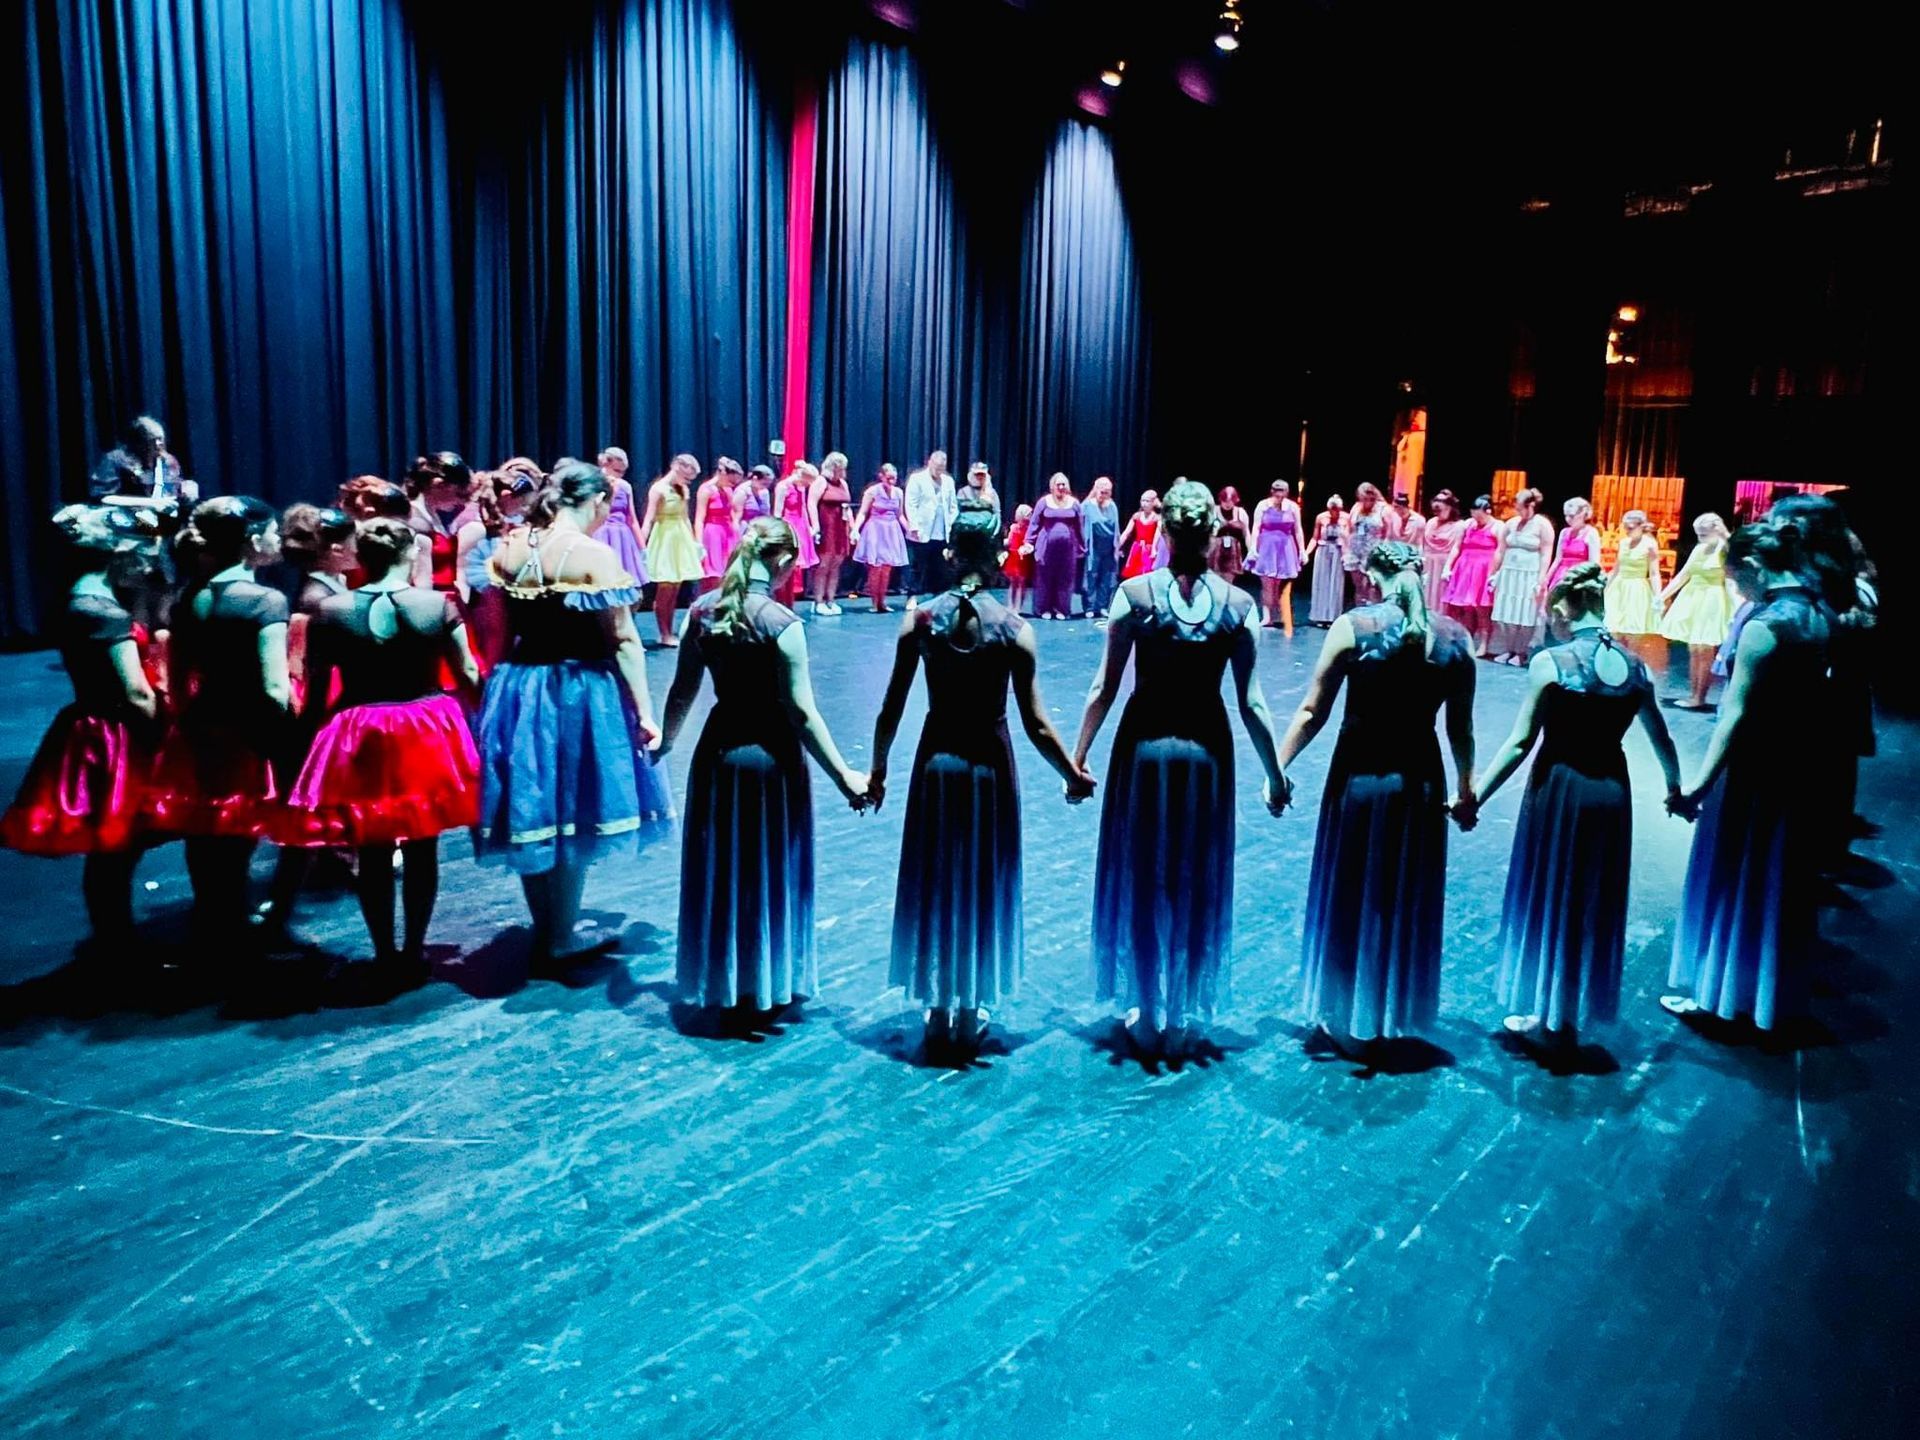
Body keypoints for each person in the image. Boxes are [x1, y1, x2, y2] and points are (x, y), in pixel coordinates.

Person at [867, 499, 1095, 1054]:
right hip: (989, 767)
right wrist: (1072, 774)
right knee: (978, 881)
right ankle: (969, 1009)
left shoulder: (919, 621)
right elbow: (1036, 723)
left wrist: (876, 772)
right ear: (997, 557)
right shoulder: (1014, 629)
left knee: (938, 877)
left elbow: (891, 709)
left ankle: (937, 1008)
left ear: (949, 555)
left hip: (937, 763)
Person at [1072, 481, 1289, 1055]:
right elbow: (1253, 704)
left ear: (1165, 534)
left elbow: (1104, 688)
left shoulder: (1133, 596)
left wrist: (1079, 757)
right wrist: (1275, 774)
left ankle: (1145, 1008)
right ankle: (1183, 1008)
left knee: (1143, 873)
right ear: (1214, 536)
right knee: (1192, 874)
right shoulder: (1241, 607)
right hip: (1205, 758)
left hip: (1144, 753)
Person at [1454, 563, 1683, 1048]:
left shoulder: (1553, 663)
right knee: (1590, 900)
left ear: (1564, 607)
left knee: (1554, 892)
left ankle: (1550, 1019)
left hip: (1560, 787)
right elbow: (1659, 734)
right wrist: (1675, 788)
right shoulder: (1635, 667)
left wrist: (1473, 798)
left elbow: (1520, 743)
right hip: (1611, 792)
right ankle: (1568, 1016)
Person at [661, 518, 870, 1019]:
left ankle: (726, 978)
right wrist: (846, 777)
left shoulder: (702, 613)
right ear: (781, 563)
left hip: (717, 755)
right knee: (767, 869)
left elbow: (683, 690)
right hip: (771, 760)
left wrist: (665, 742)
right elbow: (800, 712)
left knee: (724, 870)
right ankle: (761, 982)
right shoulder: (782, 624)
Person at [1282, 542, 1476, 1054]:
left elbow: (1312, 711)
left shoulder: (1356, 627)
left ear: (1372, 575)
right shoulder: (1455, 638)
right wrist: (1466, 789)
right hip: (1421, 781)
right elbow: (1460, 728)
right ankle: (1387, 1015)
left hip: (1360, 778)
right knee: (1400, 895)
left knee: (1353, 891)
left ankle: (1348, 1017)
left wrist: (1277, 769)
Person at [473, 463, 671, 963]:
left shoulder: (510, 548)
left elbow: (496, 636)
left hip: (520, 685)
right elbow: (623, 640)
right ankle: (560, 936)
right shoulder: (592, 555)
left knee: (534, 807)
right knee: (575, 805)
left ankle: (550, 927)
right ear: (599, 501)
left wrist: (496, 696)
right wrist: (645, 712)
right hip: (579, 689)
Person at [283, 518, 482, 979]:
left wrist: (308, 748)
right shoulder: (436, 605)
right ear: (408, 554)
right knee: (422, 845)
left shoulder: (331, 611)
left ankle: (384, 952)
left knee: (372, 847)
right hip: (423, 726)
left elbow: (314, 692)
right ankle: (413, 948)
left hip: (360, 728)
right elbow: (468, 673)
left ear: (361, 557)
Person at [1663, 524, 1829, 1032]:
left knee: (1733, 872)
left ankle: (1717, 996)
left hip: (1753, 767)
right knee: (1775, 877)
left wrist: (1698, 787)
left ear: (1753, 567)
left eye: (1737, 579)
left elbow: (1733, 714)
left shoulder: (1764, 625)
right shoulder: (1818, 615)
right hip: (1797, 763)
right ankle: (1758, 994)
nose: (1738, 589)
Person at [1, 506, 169, 948]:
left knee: (113, 849)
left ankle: (114, 936)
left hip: (92, 725)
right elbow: (135, 691)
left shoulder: (80, 598)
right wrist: (161, 735)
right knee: (116, 847)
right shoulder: (101, 612)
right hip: (114, 735)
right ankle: (117, 941)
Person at [144, 497, 292, 946]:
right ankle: (234, 925)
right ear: (253, 541)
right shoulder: (265, 601)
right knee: (240, 827)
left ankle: (212, 912)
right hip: (248, 726)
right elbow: (274, 687)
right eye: (272, 531)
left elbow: (179, 673)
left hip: (202, 721)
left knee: (205, 826)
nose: (278, 538)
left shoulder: (191, 596)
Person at [1770, 493, 1877, 869]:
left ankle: (1810, 849)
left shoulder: (1840, 585)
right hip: (1820, 696)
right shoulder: (1811, 577)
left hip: (1821, 698)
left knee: (1820, 774)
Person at [456, 469, 540, 673]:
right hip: (484, 604)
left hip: (502, 602)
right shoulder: (474, 526)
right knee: (490, 654)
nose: (524, 508)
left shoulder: (503, 523)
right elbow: (460, 569)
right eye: (523, 502)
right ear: (506, 497)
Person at [1658, 512, 1734, 710]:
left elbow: (1732, 571)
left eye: (1703, 533)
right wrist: (1662, 597)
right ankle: (1694, 695)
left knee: (1705, 649)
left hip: (1712, 599)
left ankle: (1700, 696)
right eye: (1698, 534)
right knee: (1694, 649)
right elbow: (1683, 575)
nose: (1700, 538)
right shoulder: (1700, 549)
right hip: (1694, 597)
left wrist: (1724, 536)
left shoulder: (1725, 548)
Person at [638, 453, 705, 645]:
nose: (688, 481)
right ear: (676, 467)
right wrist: (642, 543)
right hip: (665, 537)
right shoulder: (658, 489)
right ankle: (664, 632)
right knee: (665, 587)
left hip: (680, 536)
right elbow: (649, 518)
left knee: (675, 587)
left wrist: (694, 543)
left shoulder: (682, 489)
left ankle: (668, 630)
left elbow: (685, 517)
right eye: (686, 476)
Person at [1487, 487, 1553, 663]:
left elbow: (1546, 553)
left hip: (1529, 574)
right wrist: (1493, 573)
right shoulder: (1511, 523)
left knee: (1525, 613)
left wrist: (1541, 578)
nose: (1518, 512)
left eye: (1520, 508)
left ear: (1530, 506)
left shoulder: (1542, 525)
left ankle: (1521, 652)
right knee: (1507, 613)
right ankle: (1509, 649)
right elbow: (1500, 550)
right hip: (1509, 572)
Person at [405, 452, 477, 602]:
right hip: (430, 600)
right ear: (438, 485)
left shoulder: (432, 516)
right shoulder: (414, 519)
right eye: (458, 494)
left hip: (444, 597)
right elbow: (417, 575)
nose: (461, 502)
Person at [90, 415, 195, 508]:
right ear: (139, 443)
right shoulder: (115, 459)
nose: (159, 444)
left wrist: (188, 487)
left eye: (161, 439)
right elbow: (104, 498)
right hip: (129, 522)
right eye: (153, 440)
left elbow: (175, 487)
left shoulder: (168, 461)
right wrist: (150, 503)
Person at [1602, 509, 1664, 658]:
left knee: (1633, 633)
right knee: (1615, 630)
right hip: (1619, 589)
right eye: (1625, 528)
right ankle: (1616, 668)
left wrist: (1658, 596)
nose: (1627, 531)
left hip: (1637, 590)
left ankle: (1631, 668)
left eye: (1630, 528)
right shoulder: (1623, 543)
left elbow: (1654, 573)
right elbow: (1617, 569)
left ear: (1641, 526)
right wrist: (1605, 586)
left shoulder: (1650, 544)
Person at [1442, 495, 1499, 655]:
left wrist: (1495, 573)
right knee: (1466, 607)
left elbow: (1501, 551)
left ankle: (1484, 643)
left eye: (1479, 516)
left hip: (1484, 569)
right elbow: (1456, 547)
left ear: (1487, 512)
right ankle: (1467, 640)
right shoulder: (1467, 525)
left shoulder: (1497, 527)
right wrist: (1448, 567)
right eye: (1474, 515)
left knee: (1482, 609)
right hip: (1466, 568)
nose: (1476, 519)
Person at [1248, 479, 1306, 632]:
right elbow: (1256, 527)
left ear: (1286, 493)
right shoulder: (1263, 505)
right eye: (1276, 492)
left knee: (1278, 584)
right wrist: (1253, 547)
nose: (1279, 496)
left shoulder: (1292, 507)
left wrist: (1302, 550)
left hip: (1285, 546)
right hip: (1267, 545)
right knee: (1267, 582)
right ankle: (1267, 617)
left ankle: (1275, 613)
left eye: (1282, 493)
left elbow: (1298, 530)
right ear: (1272, 492)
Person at [850, 464, 909, 612]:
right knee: (875, 567)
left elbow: (900, 514)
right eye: (888, 478)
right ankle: (875, 602)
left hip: (892, 530)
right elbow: (863, 512)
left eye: (894, 479)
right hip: (876, 529)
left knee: (887, 567)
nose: (891, 482)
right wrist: (855, 529)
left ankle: (882, 601)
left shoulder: (898, 493)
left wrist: (909, 529)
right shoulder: (872, 492)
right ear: (881, 476)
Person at [594, 446, 651, 594]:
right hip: (601, 534)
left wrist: (643, 549)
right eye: (616, 471)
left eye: (622, 472)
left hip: (622, 537)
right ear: (605, 464)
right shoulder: (594, 483)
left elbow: (631, 519)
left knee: (629, 585)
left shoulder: (625, 486)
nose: (619, 475)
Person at [903, 449, 957, 601]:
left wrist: (952, 524)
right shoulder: (917, 479)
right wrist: (913, 525)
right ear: (929, 463)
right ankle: (912, 596)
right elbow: (910, 504)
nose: (939, 471)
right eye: (936, 467)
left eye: (942, 468)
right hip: (921, 531)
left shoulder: (948, 481)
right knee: (918, 566)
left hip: (941, 531)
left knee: (940, 566)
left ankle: (939, 597)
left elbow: (953, 506)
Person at [1029, 473, 1084, 620]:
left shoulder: (1074, 503)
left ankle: (1061, 609)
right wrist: (1029, 542)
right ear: (1052, 486)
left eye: (1063, 484)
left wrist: (1082, 546)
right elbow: (1034, 523)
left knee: (1065, 578)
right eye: (1058, 484)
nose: (1061, 487)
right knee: (1045, 578)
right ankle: (1044, 609)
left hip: (1068, 548)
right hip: (1046, 547)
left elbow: (1080, 526)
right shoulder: (1043, 502)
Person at [808, 452, 855, 615]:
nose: (843, 472)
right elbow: (812, 503)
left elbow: (847, 506)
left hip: (840, 526)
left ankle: (831, 599)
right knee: (823, 564)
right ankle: (818, 601)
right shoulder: (821, 482)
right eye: (840, 468)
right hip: (826, 525)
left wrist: (853, 527)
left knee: (836, 564)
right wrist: (815, 526)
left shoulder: (843, 483)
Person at [771, 463, 821, 604]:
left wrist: (810, 527)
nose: (806, 486)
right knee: (784, 568)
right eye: (807, 482)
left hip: (800, 527)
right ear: (801, 476)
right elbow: (777, 513)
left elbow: (803, 508)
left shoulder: (800, 488)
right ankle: (780, 602)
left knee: (794, 569)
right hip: (788, 526)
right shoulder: (783, 487)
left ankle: (789, 604)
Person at [694, 456, 745, 593]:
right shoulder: (706, 489)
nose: (731, 485)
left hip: (728, 532)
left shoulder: (728, 490)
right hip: (713, 533)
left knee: (730, 572)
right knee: (712, 574)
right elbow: (699, 518)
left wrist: (737, 533)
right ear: (722, 473)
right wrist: (699, 544)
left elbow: (732, 513)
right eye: (729, 481)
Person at [1344, 483, 1392, 606]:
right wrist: (1346, 549)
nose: (1366, 502)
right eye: (1363, 499)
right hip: (1356, 551)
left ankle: (1372, 617)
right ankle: (1359, 614)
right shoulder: (1356, 507)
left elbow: (1389, 533)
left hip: (1373, 552)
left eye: (1370, 499)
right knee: (1359, 587)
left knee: (1372, 587)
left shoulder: (1383, 509)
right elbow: (1350, 528)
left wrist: (1383, 553)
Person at [1543, 497, 1600, 598]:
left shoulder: (1591, 533)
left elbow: (1594, 563)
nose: (1568, 519)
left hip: (1579, 577)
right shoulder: (1564, 532)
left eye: (1572, 516)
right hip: (1561, 576)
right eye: (1566, 516)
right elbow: (1558, 559)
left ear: (1582, 514)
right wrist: (1546, 579)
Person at [1081, 476, 1121, 619]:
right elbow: (1081, 521)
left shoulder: (1112, 506)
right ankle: (1089, 607)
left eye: (1108, 492)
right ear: (1096, 490)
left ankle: (1102, 606)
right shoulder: (1088, 505)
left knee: (1107, 577)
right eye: (1102, 491)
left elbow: (1116, 528)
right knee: (1091, 576)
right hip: (1094, 547)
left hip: (1109, 547)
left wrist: (1117, 547)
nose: (1104, 495)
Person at [1306, 493, 1348, 626]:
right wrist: (1306, 553)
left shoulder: (1347, 518)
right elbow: (1315, 538)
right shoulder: (1321, 517)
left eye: (1337, 510)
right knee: (1321, 583)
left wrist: (1348, 556)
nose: (1334, 513)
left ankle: (1333, 617)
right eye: (1331, 510)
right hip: (1323, 551)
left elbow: (1349, 539)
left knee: (1335, 584)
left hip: (1338, 552)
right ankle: (1320, 616)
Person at [1419, 490, 1464, 613]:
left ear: (1450, 506)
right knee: (1425, 593)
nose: (1437, 504)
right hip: (1428, 563)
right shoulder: (1431, 522)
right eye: (1436, 500)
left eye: (1442, 502)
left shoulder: (1459, 525)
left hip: (1444, 564)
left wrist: (1448, 567)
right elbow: (1423, 543)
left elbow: (1457, 547)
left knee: (1440, 596)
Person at [1116, 489, 1164, 580]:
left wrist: (1154, 549)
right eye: (1143, 500)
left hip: (1149, 550)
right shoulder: (1136, 516)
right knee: (1133, 574)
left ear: (1153, 503)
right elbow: (1126, 533)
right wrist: (1117, 546)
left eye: (1147, 501)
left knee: (1146, 574)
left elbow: (1156, 536)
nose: (1144, 504)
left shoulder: (1157, 518)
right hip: (1137, 549)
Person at [1209, 485, 1251, 585]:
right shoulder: (1214, 511)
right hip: (1216, 548)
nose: (1228, 504)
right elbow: (1209, 533)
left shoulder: (1240, 512)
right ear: (1220, 499)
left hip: (1233, 550)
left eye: (1231, 501)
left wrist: (1250, 551)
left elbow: (1247, 534)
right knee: (1215, 578)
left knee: (1229, 579)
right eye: (1225, 501)